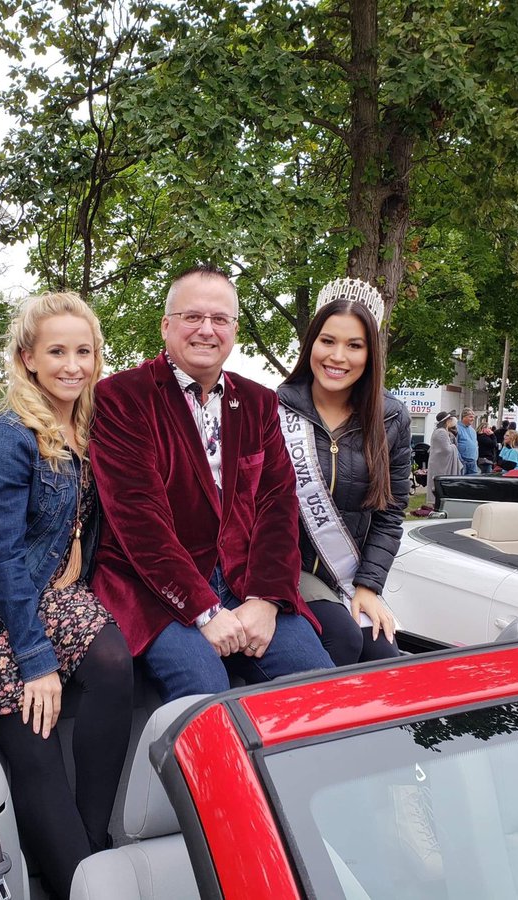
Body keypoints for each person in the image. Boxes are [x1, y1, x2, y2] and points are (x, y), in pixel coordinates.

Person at [0, 293, 133, 898]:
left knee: (114, 663)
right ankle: (72, 876)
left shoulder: (86, 427)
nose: (73, 365)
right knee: (36, 737)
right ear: (27, 358)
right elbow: (1, 557)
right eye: (57, 351)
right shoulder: (7, 438)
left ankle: (90, 839)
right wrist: (36, 661)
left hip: (41, 587)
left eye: (84, 352)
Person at [88, 264, 332, 703]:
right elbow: (138, 520)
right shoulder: (122, 397)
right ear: (166, 325)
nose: (206, 330)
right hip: (155, 588)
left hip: (245, 582)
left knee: (320, 684)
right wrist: (204, 610)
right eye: (192, 317)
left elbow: (278, 506)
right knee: (206, 692)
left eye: (220, 319)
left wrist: (266, 599)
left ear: (234, 329)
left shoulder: (258, 402)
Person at [276, 278, 410, 665]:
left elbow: (390, 513)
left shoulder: (391, 418)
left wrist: (368, 585)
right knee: (344, 640)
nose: (338, 357)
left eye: (354, 345)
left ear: (370, 354)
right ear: (311, 344)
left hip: (350, 575)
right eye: (328, 341)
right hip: (289, 569)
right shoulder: (274, 409)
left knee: (383, 655)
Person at [424, 412, 461, 510]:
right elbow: (446, 449)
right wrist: (454, 447)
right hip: (440, 464)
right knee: (439, 484)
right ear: (446, 421)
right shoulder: (441, 432)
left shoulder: (440, 431)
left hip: (439, 462)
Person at [456, 407, 479, 475]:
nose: (473, 419)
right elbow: (454, 445)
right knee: (462, 480)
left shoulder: (473, 430)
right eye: (470, 417)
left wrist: (476, 457)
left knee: (473, 480)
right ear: (464, 417)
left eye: (473, 417)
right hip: (462, 462)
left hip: (473, 462)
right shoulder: (457, 428)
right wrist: (460, 459)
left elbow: (475, 444)